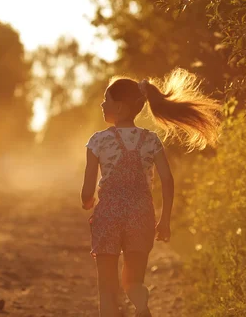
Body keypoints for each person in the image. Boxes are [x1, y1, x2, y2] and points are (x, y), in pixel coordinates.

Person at [81, 68, 221, 317]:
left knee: (107, 288)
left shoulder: (98, 141)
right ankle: (141, 303)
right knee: (133, 281)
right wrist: (164, 219)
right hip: (140, 215)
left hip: (109, 217)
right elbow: (167, 180)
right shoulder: (151, 140)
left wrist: (88, 199)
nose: (103, 104)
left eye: (107, 99)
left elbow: (88, 187)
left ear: (121, 107)